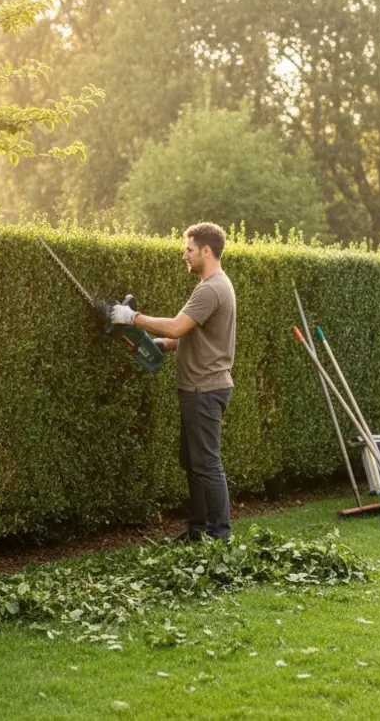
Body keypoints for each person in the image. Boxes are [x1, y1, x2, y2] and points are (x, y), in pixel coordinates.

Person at [108, 223, 237, 540]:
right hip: (201, 387)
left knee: (207, 464)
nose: (185, 256)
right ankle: (198, 532)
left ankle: (220, 537)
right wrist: (152, 344)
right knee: (193, 463)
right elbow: (190, 337)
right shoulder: (216, 286)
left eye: (189, 250)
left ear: (206, 251)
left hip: (204, 389)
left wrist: (131, 318)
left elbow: (178, 327)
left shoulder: (210, 288)